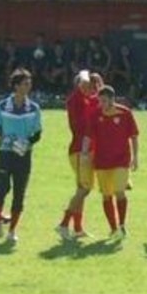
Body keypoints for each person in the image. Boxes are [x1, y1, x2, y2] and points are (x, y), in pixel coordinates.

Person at [0, 68, 42, 243]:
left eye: (29, 83)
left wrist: (26, 144)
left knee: (19, 193)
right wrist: (7, 140)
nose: (29, 86)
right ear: (16, 86)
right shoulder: (2, 106)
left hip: (23, 156)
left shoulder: (34, 108)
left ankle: (12, 230)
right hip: (4, 154)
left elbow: (37, 133)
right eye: (25, 83)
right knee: (1, 189)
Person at [83, 85, 139, 237]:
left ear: (113, 100)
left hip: (121, 160)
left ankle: (122, 225)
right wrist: (84, 153)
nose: (101, 105)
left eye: (104, 101)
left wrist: (135, 157)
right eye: (100, 101)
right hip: (101, 161)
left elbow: (133, 136)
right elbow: (88, 136)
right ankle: (113, 228)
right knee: (106, 195)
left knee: (119, 192)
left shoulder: (125, 113)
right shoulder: (95, 115)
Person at [55, 70, 95, 240]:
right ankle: (64, 223)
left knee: (81, 189)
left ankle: (77, 228)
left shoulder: (86, 100)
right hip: (80, 150)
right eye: (85, 84)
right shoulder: (76, 100)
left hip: (84, 149)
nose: (89, 87)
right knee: (84, 189)